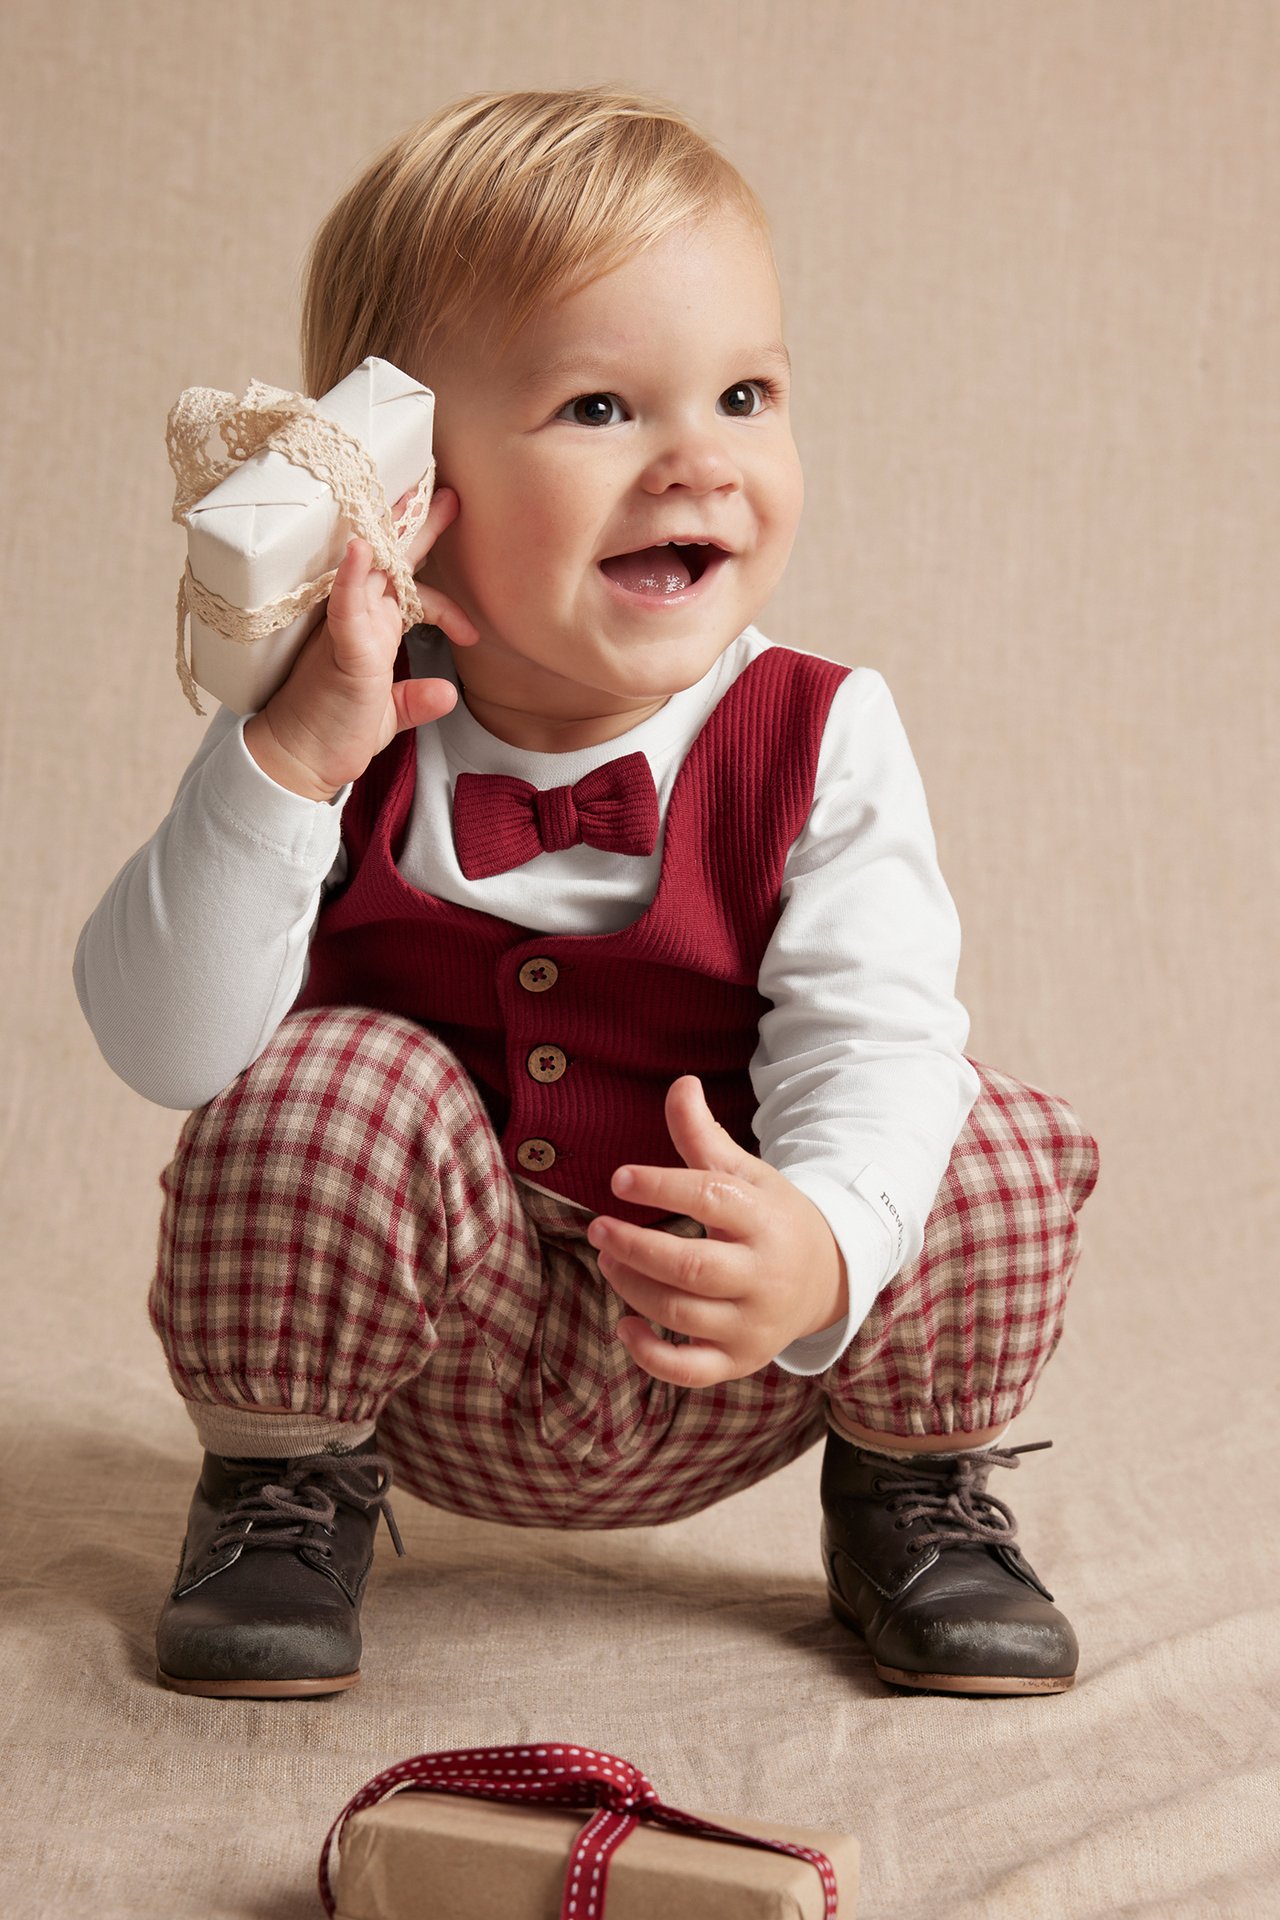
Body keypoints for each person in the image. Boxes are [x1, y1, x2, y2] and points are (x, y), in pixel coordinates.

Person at [73, 86, 1100, 1703]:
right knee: (321, 1081)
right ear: (408, 475)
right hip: (421, 1356)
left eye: (746, 392)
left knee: (965, 1126)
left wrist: (823, 1244)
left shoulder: (821, 731)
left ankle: (914, 1494)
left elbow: (872, 1040)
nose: (702, 456)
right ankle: (281, 1495)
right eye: (602, 407)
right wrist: (281, 761)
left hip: (746, 1345)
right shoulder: (342, 725)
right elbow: (161, 1045)